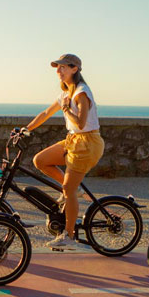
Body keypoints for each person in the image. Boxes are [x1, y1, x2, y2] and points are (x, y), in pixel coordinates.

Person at [22, 54, 104, 249]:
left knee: (67, 190)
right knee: (40, 160)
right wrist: (25, 129)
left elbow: (81, 123)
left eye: (62, 67)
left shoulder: (81, 93)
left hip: (88, 143)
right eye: (57, 68)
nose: (58, 71)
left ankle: (69, 236)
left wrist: (67, 110)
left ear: (74, 69)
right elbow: (45, 114)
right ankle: (75, 189)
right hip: (74, 140)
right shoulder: (66, 92)